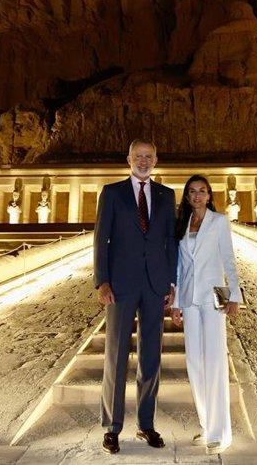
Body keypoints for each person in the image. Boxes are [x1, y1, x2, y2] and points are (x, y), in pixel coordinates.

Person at [94, 139, 178, 454]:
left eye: (149, 156)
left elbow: (172, 242)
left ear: (156, 160)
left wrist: (172, 283)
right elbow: (101, 238)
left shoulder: (166, 196)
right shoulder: (112, 193)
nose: (143, 161)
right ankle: (112, 428)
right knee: (115, 357)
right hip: (120, 285)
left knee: (151, 358)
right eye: (138, 156)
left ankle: (146, 425)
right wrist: (101, 281)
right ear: (128, 158)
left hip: (156, 285)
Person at [171, 175, 242, 455]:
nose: (197, 196)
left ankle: (220, 433)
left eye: (202, 191)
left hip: (214, 299)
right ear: (187, 196)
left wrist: (234, 296)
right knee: (194, 363)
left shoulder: (219, 222)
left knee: (214, 362)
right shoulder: (183, 224)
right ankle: (206, 424)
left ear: (210, 196)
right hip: (189, 298)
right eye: (192, 192)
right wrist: (175, 302)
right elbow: (179, 266)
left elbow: (229, 260)